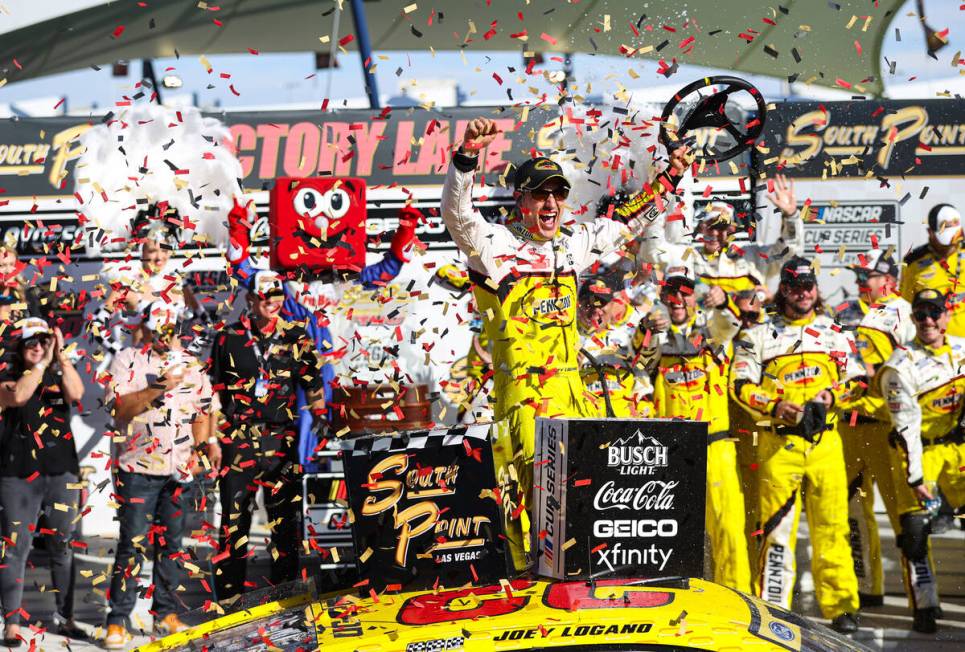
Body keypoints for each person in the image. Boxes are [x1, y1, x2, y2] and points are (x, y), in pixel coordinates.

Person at [441, 117, 690, 570]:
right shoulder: (493, 243)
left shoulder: (571, 245)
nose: (551, 201)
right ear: (521, 200)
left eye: (557, 193)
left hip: (574, 391)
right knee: (536, 505)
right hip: (524, 396)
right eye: (540, 193)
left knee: (581, 499)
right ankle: (533, 590)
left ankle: (576, 585)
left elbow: (626, 224)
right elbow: (457, 216)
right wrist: (466, 159)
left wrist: (671, 176)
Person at [730, 256, 862, 633]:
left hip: (826, 444)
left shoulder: (835, 331)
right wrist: (775, 406)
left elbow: (856, 381)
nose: (803, 292)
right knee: (777, 530)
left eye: (809, 285)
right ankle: (774, 607)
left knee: (833, 527)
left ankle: (841, 605)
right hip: (778, 445)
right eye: (794, 285)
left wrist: (831, 398)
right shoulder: (756, 334)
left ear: (816, 289)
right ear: (783, 290)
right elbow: (739, 385)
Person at [208, 270, 326, 602]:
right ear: (250, 300)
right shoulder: (227, 337)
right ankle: (228, 602)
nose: (272, 303)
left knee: (284, 525)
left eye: (277, 296)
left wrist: (323, 422)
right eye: (265, 297)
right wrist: (214, 439)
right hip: (238, 440)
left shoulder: (296, 335)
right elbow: (214, 393)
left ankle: (285, 598)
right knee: (234, 523)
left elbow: (313, 385)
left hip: (281, 440)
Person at [103, 301, 214, 649]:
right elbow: (119, 408)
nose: (168, 335)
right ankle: (117, 620)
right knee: (132, 545)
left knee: (172, 545)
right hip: (138, 468)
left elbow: (203, 409)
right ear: (147, 327)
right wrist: (158, 388)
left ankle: (165, 614)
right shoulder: (126, 360)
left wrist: (204, 445)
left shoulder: (192, 365)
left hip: (178, 469)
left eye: (172, 328)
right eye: (160, 328)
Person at [635, 261, 749, 592]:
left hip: (715, 447)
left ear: (694, 301)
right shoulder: (654, 333)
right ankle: (672, 598)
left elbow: (731, 322)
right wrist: (646, 331)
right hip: (669, 452)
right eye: (670, 296)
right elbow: (640, 373)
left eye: (683, 296)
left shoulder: (713, 331)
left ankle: (736, 598)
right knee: (669, 532)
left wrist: (724, 299)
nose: (676, 302)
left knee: (727, 529)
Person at [837, 251, 932, 625]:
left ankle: (924, 602)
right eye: (860, 274)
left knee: (905, 518)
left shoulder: (905, 313)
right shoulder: (849, 309)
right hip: (850, 427)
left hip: (887, 429)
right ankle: (868, 587)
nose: (864, 280)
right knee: (855, 513)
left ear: (889, 278)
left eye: (870, 275)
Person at [878, 288, 965, 633]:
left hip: (958, 447)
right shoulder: (899, 366)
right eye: (920, 314)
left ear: (946, 316)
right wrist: (916, 480)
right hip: (917, 450)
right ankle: (925, 605)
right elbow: (906, 428)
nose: (928, 320)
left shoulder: (961, 348)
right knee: (915, 530)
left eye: (934, 313)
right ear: (913, 319)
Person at [0, 319, 85, 646]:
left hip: (61, 472)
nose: (38, 347)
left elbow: (76, 393)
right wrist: (41, 364)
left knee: (63, 546)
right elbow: (19, 396)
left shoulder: (58, 370)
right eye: (30, 343)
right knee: (15, 549)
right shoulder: (7, 377)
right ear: (20, 349)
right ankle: (11, 623)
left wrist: (60, 359)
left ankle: (66, 618)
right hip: (17, 475)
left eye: (43, 341)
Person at [640, 176, 803, 312]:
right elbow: (651, 252)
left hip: (747, 339)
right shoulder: (687, 257)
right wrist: (656, 209)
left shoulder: (753, 257)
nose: (715, 233)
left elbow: (790, 253)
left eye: (722, 227)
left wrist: (791, 216)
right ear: (701, 228)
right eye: (711, 226)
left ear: (731, 231)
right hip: (705, 342)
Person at [577, 270, 654, 419]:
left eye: (601, 302)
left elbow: (648, 364)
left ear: (613, 304)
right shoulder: (568, 335)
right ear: (579, 304)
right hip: (583, 420)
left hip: (627, 421)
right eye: (589, 303)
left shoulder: (631, 329)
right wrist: (572, 368)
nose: (595, 310)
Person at [900, 203, 965, 336]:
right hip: (932, 344)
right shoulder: (912, 262)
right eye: (946, 238)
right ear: (930, 232)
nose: (952, 244)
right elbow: (905, 307)